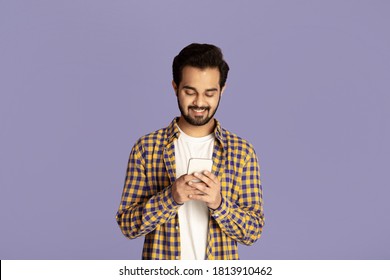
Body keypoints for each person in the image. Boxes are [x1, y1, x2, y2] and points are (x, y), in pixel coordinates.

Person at [116, 43, 264, 260]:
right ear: (175, 88)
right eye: (190, 92)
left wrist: (219, 204)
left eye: (209, 93)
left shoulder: (242, 153)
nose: (199, 102)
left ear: (222, 90)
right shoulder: (146, 149)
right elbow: (128, 226)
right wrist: (171, 197)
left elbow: (253, 231)